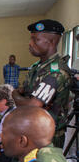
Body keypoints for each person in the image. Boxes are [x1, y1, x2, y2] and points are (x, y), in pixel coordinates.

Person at [12, 19, 72, 149]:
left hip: (47, 137)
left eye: (35, 40)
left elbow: (32, 107)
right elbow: (26, 91)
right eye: (31, 39)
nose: (30, 43)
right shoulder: (37, 67)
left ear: (52, 42)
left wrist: (14, 95)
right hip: (33, 130)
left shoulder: (56, 71)